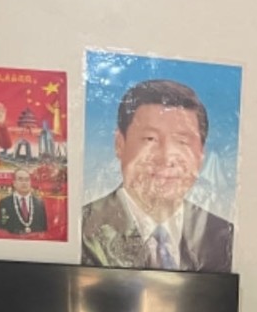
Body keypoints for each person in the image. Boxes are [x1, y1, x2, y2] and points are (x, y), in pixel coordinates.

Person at [81, 79, 233, 273]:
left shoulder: (224, 236)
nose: (166, 158)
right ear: (120, 144)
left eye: (182, 142)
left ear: (201, 154)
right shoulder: (83, 229)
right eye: (150, 139)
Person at [0, 167, 48, 235]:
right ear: (14, 183)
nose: (24, 183)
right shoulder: (5, 203)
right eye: (20, 179)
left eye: (27, 180)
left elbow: (43, 229)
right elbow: (1, 228)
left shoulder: (39, 203)